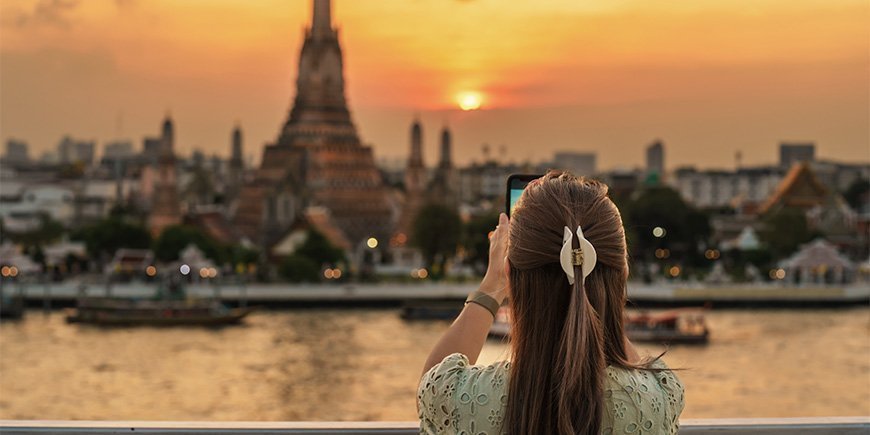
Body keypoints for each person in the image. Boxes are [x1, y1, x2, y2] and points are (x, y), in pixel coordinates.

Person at [417, 171, 684, 434]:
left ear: (509, 272)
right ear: (623, 272)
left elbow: (432, 384)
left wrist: (492, 283)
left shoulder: (465, 403)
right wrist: (589, 290)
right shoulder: (657, 398)